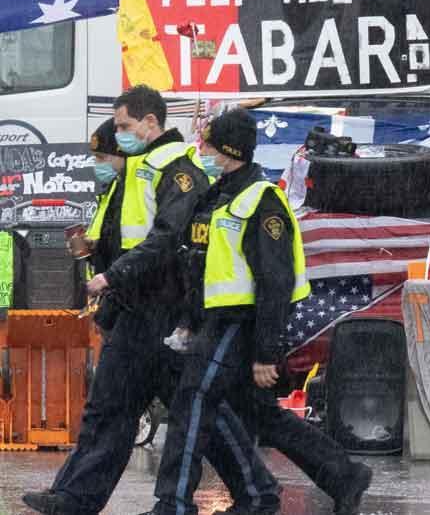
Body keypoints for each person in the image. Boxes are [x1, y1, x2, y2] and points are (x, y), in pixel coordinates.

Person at [24, 89, 277, 515]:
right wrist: (98, 257)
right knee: (113, 404)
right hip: (136, 307)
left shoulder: (178, 168)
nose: (119, 134)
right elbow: (128, 238)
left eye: (124, 126)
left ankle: (257, 492)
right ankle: (75, 497)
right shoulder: (138, 168)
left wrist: (112, 275)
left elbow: (168, 237)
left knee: (195, 412)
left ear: (150, 123)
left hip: (168, 307)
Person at [143, 108, 372, 515]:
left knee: (193, 399)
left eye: (209, 144)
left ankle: (173, 504)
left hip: (241, 321)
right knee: (259, 416)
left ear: (230, 150)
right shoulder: (217, 195)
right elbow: (200, 266)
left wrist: (268, 352)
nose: (202, 150)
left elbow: (275, 281)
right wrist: (188, 323)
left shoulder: (262, 201)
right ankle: (334, 476)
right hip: (216, 321)